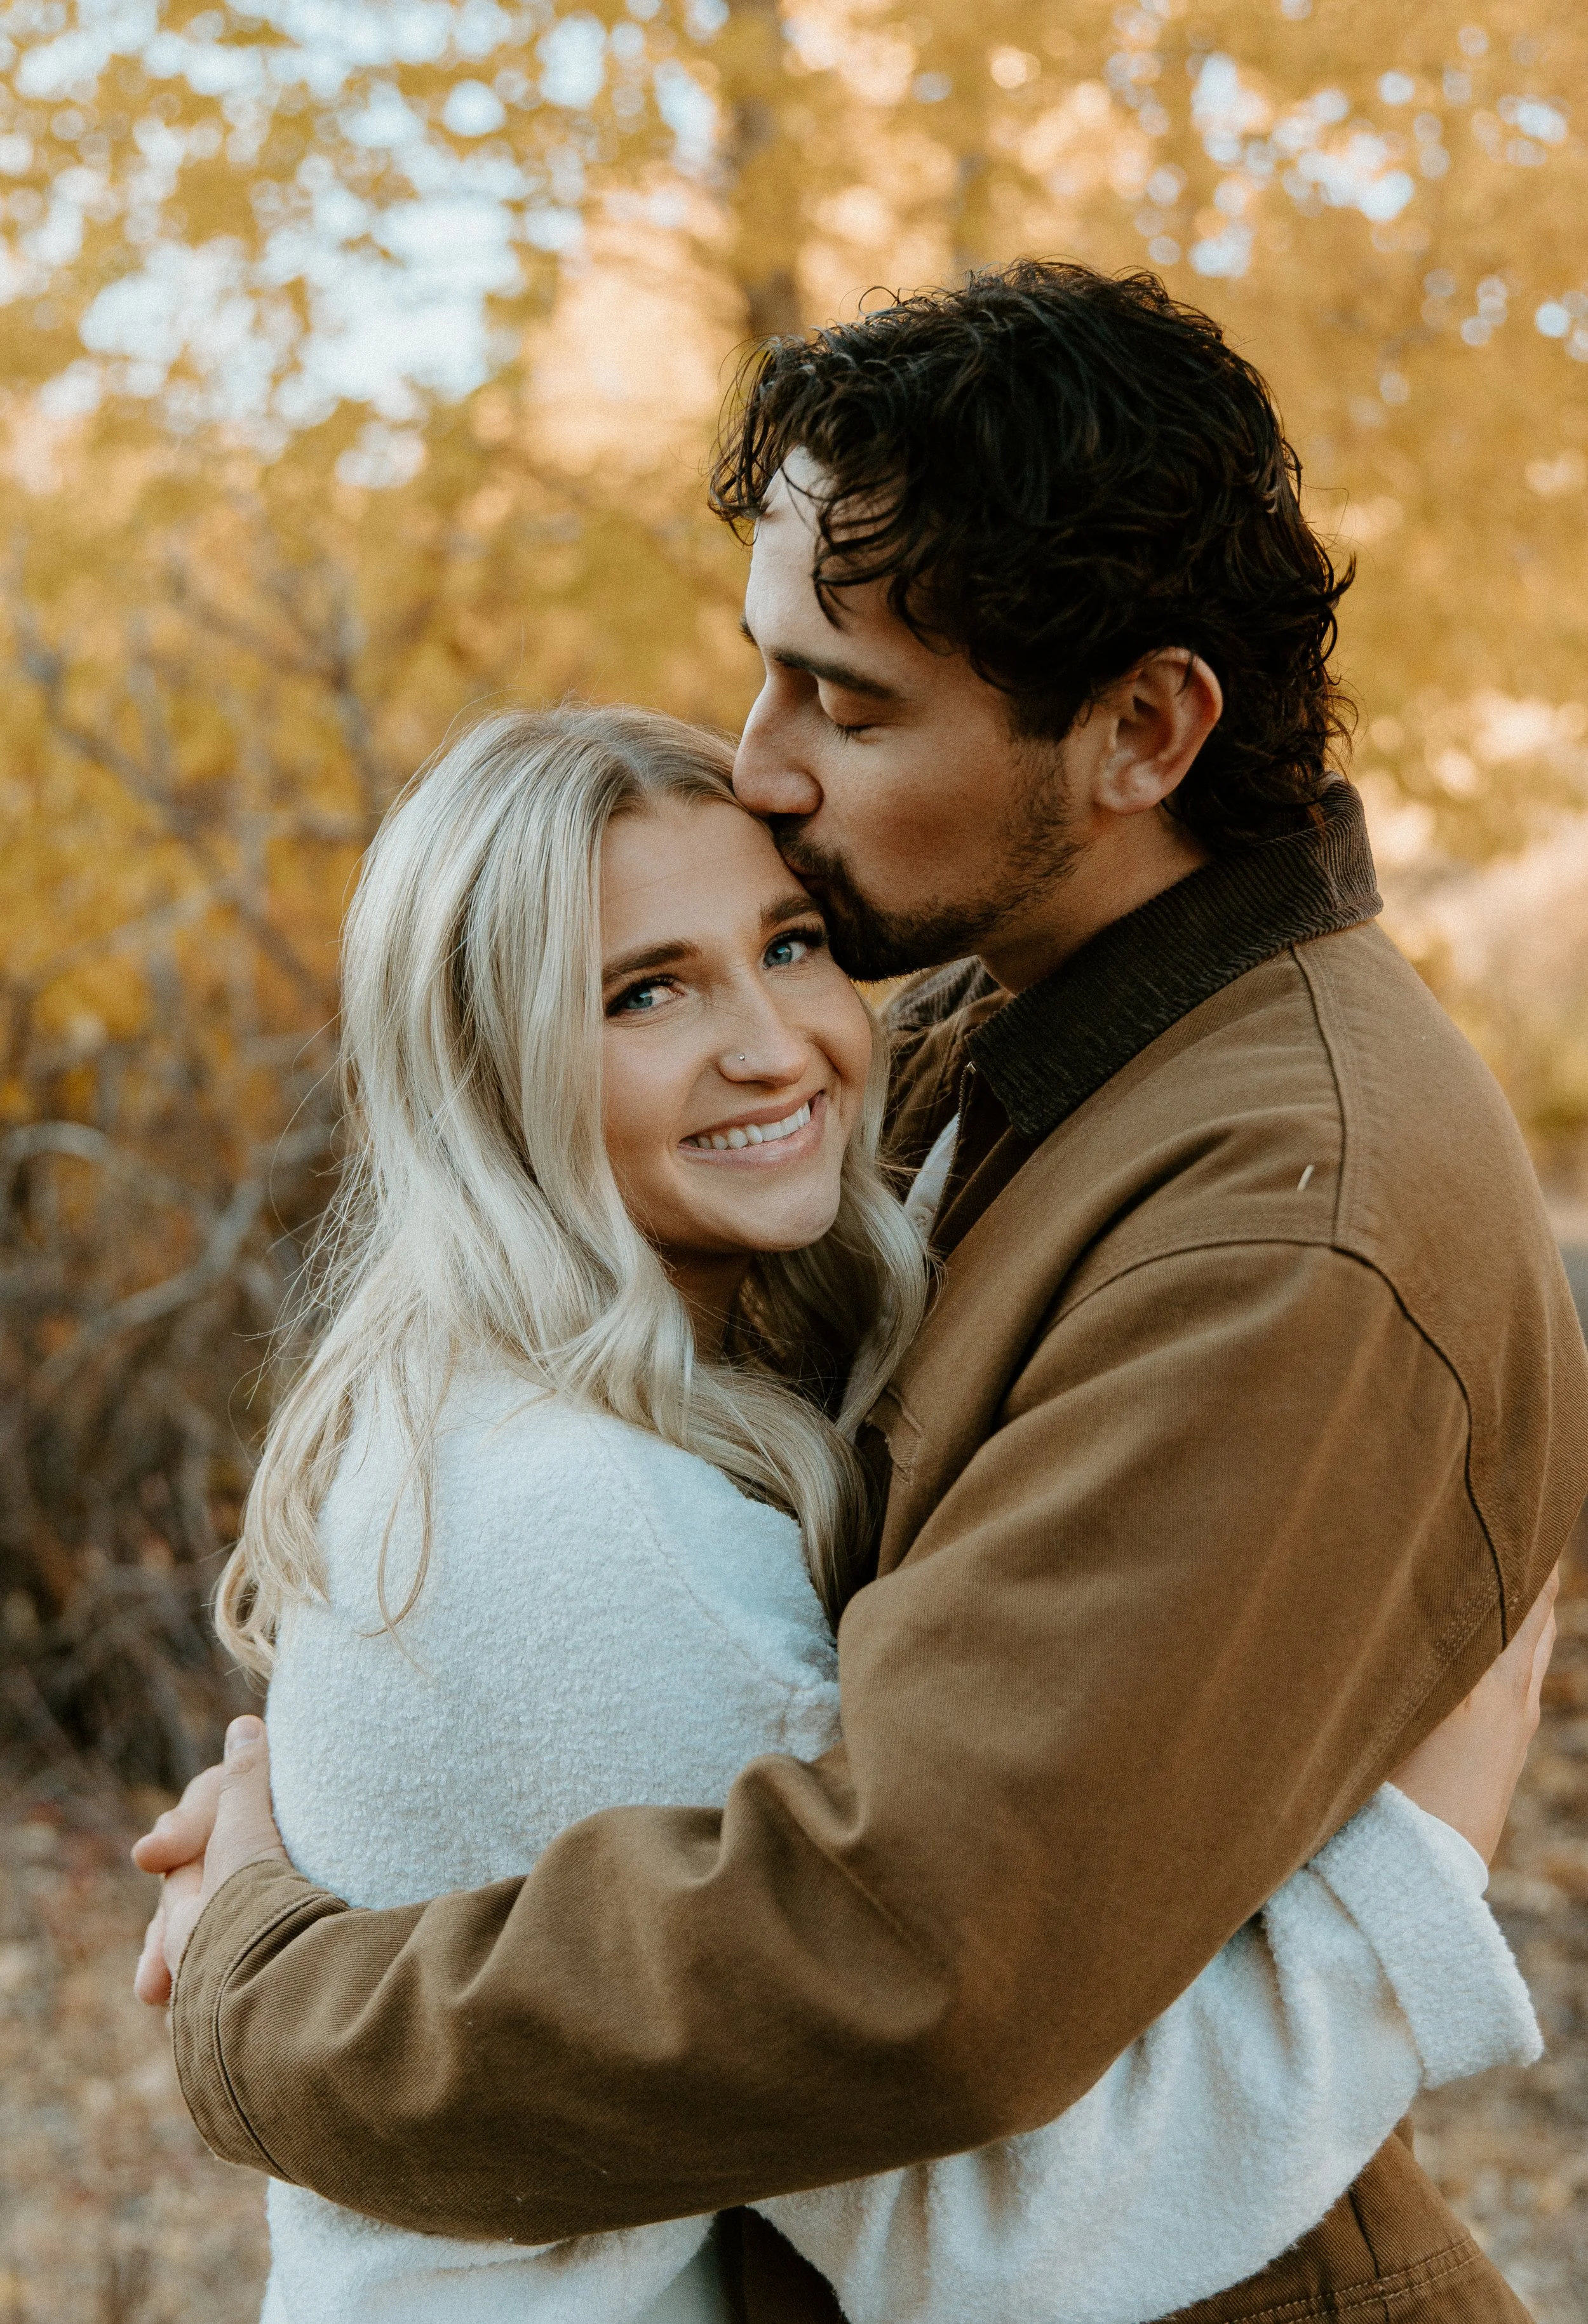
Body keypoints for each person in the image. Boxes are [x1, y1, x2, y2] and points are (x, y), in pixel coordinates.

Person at [139, 265, 1588, 2324]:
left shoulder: (1284, 1216)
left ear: (1141, 731)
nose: (764, 770)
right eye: (765, 673)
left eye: (848, 699)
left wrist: (282, 1988)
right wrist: (396, 1779)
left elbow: (903, 1977)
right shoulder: (982, 1044)